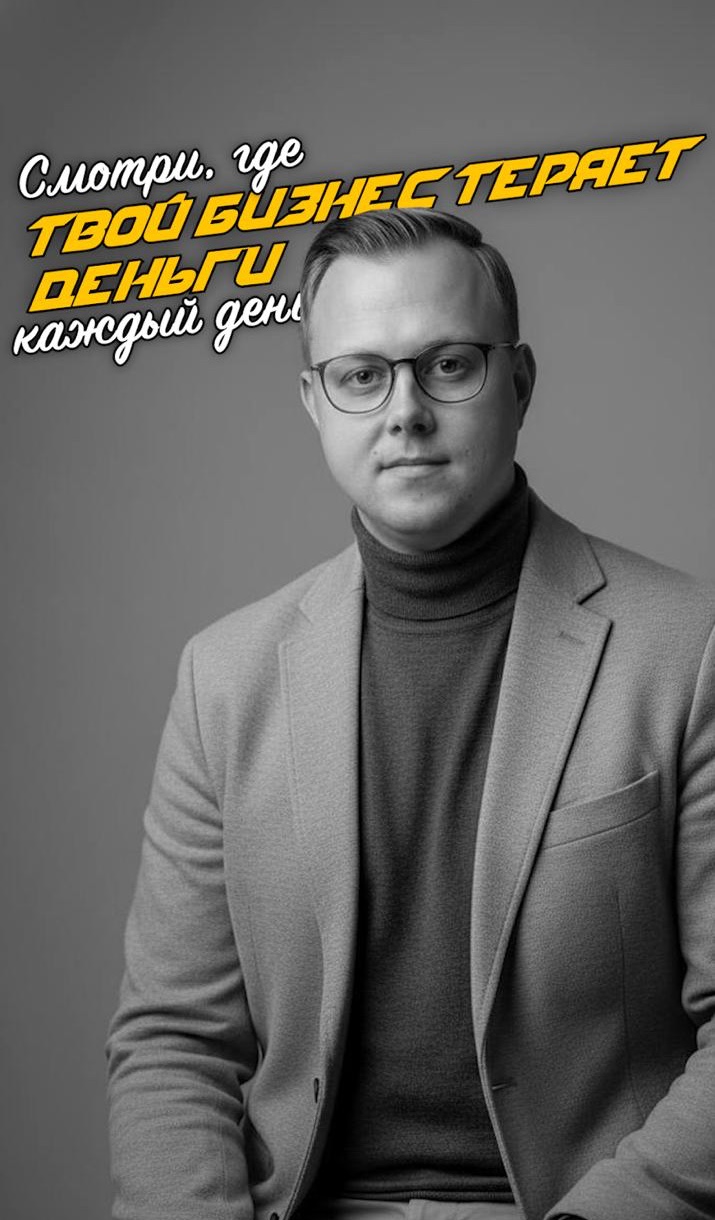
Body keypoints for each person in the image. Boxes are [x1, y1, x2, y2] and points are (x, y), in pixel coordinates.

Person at [106, 209, 715, 1220]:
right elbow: (174, 1043)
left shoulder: (687, 649)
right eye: (361, 375)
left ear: (519, 382)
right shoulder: (224, 678)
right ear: (314, 401)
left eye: (448, 366)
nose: (406, 413)